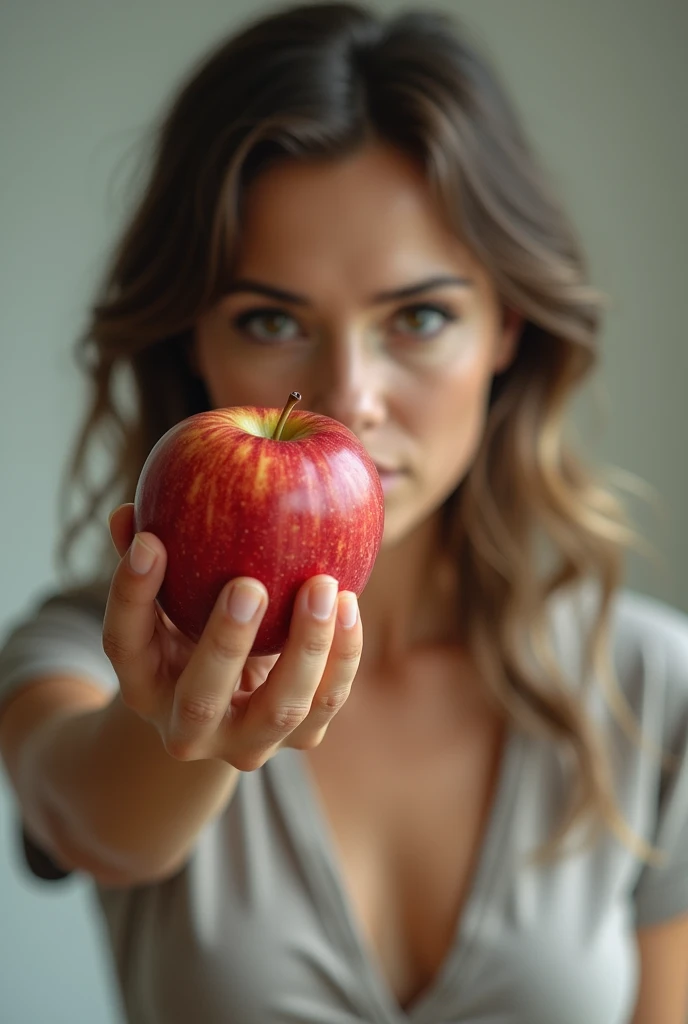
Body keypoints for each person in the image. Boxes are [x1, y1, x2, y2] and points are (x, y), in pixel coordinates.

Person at [0, 3, 687, 1022]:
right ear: (193, 339)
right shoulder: (99, 649)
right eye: (272, 319)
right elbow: (98, 826)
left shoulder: (648, 688)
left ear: (506, 327)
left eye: (418, 316)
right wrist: (177, 723)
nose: (348, 395)